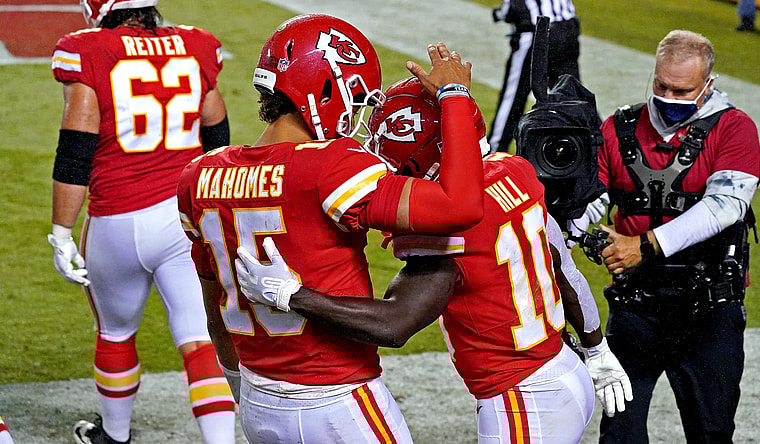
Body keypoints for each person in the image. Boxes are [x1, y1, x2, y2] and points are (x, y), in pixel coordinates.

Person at [235, 77, 633, 443]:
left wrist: (292, 295)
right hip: (565, 369)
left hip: (521, 398)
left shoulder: (443, 225)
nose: (379, 154)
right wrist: (597, 348)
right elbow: (564, 270)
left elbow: (394, 322)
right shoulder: (515, 170)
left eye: (389, 142)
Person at [176, 14, 485, 444]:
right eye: (354, 97)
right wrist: (455, 96)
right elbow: (463, 204)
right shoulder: (330, 164)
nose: (355, 114)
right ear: (322, 89)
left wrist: (238, 384)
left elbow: (215, 308)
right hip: (338, 401)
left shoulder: (198, 175)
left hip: (258, 399)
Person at [48, 1, 236, 443]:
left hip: (117, 219)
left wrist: (60, 231)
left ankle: (114, 435)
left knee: (115, 333)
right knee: (200, 339)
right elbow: (217, 138)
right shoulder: (197, 43)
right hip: (182, 221)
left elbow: (76, 149)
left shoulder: (87, 49)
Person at [572, 30, 760, 443]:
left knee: (710, 432)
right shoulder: (618, 127)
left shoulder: (735, 129)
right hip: (636, 308)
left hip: (709, 312)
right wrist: (570, 231)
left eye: (683, 90)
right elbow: (592, 199)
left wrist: (641, 245)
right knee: (619, 433)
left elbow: (725, 207)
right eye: (662, 85)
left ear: (707, 85)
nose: (669, 97)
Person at [488, 0, 581, 153]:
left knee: (513, 97)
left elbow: (514, 8)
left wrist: (499, 13)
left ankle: (494, 151)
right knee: (574, 100)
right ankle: (597, 148)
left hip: (537, 32)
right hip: (568, 29)